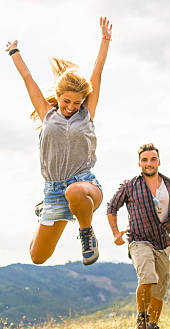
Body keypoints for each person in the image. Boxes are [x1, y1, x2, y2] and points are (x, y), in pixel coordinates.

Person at [5, 17, 112, 265]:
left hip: (84, 186)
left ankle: (86, 234)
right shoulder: (47, 113)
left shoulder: (86, 114)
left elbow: (97, 73)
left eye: (76, 103)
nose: (71, 107)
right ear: (58, 96)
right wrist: (14, 52)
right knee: (37, 256)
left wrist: (105, 40)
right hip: (53, 191)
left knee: (73, 190)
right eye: (66, 102)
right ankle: (45, 210)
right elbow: (28, 79)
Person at [107, 143, 170, 329]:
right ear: (139, 163)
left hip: (162, 242)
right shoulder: (129, 185)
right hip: (139, 240)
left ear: (159, 161)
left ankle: (152, 328)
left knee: (160, 290)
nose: (149, 163)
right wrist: (116, 233)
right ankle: (141, 321)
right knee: (148, 277)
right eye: (145, 160)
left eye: (153, 159)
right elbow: (111, 208)